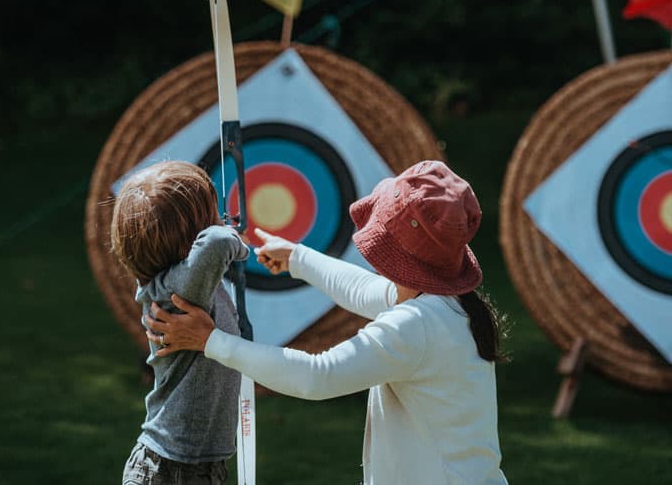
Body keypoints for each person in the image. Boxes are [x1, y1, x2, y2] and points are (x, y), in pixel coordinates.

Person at [146, 160, 509, 484]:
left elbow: (317, 376)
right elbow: (365, 289)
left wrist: (212, 341)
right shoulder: (446, 304)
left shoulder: (416, 325)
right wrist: (297, 258)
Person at [110, 161, 249, 485]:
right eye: (212, 214)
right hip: (171, 469)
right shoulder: (179, 290)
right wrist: (235, 240)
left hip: (195, 463)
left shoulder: (187, 283)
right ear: (191, 238)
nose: (220, 220)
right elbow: (216, 244)